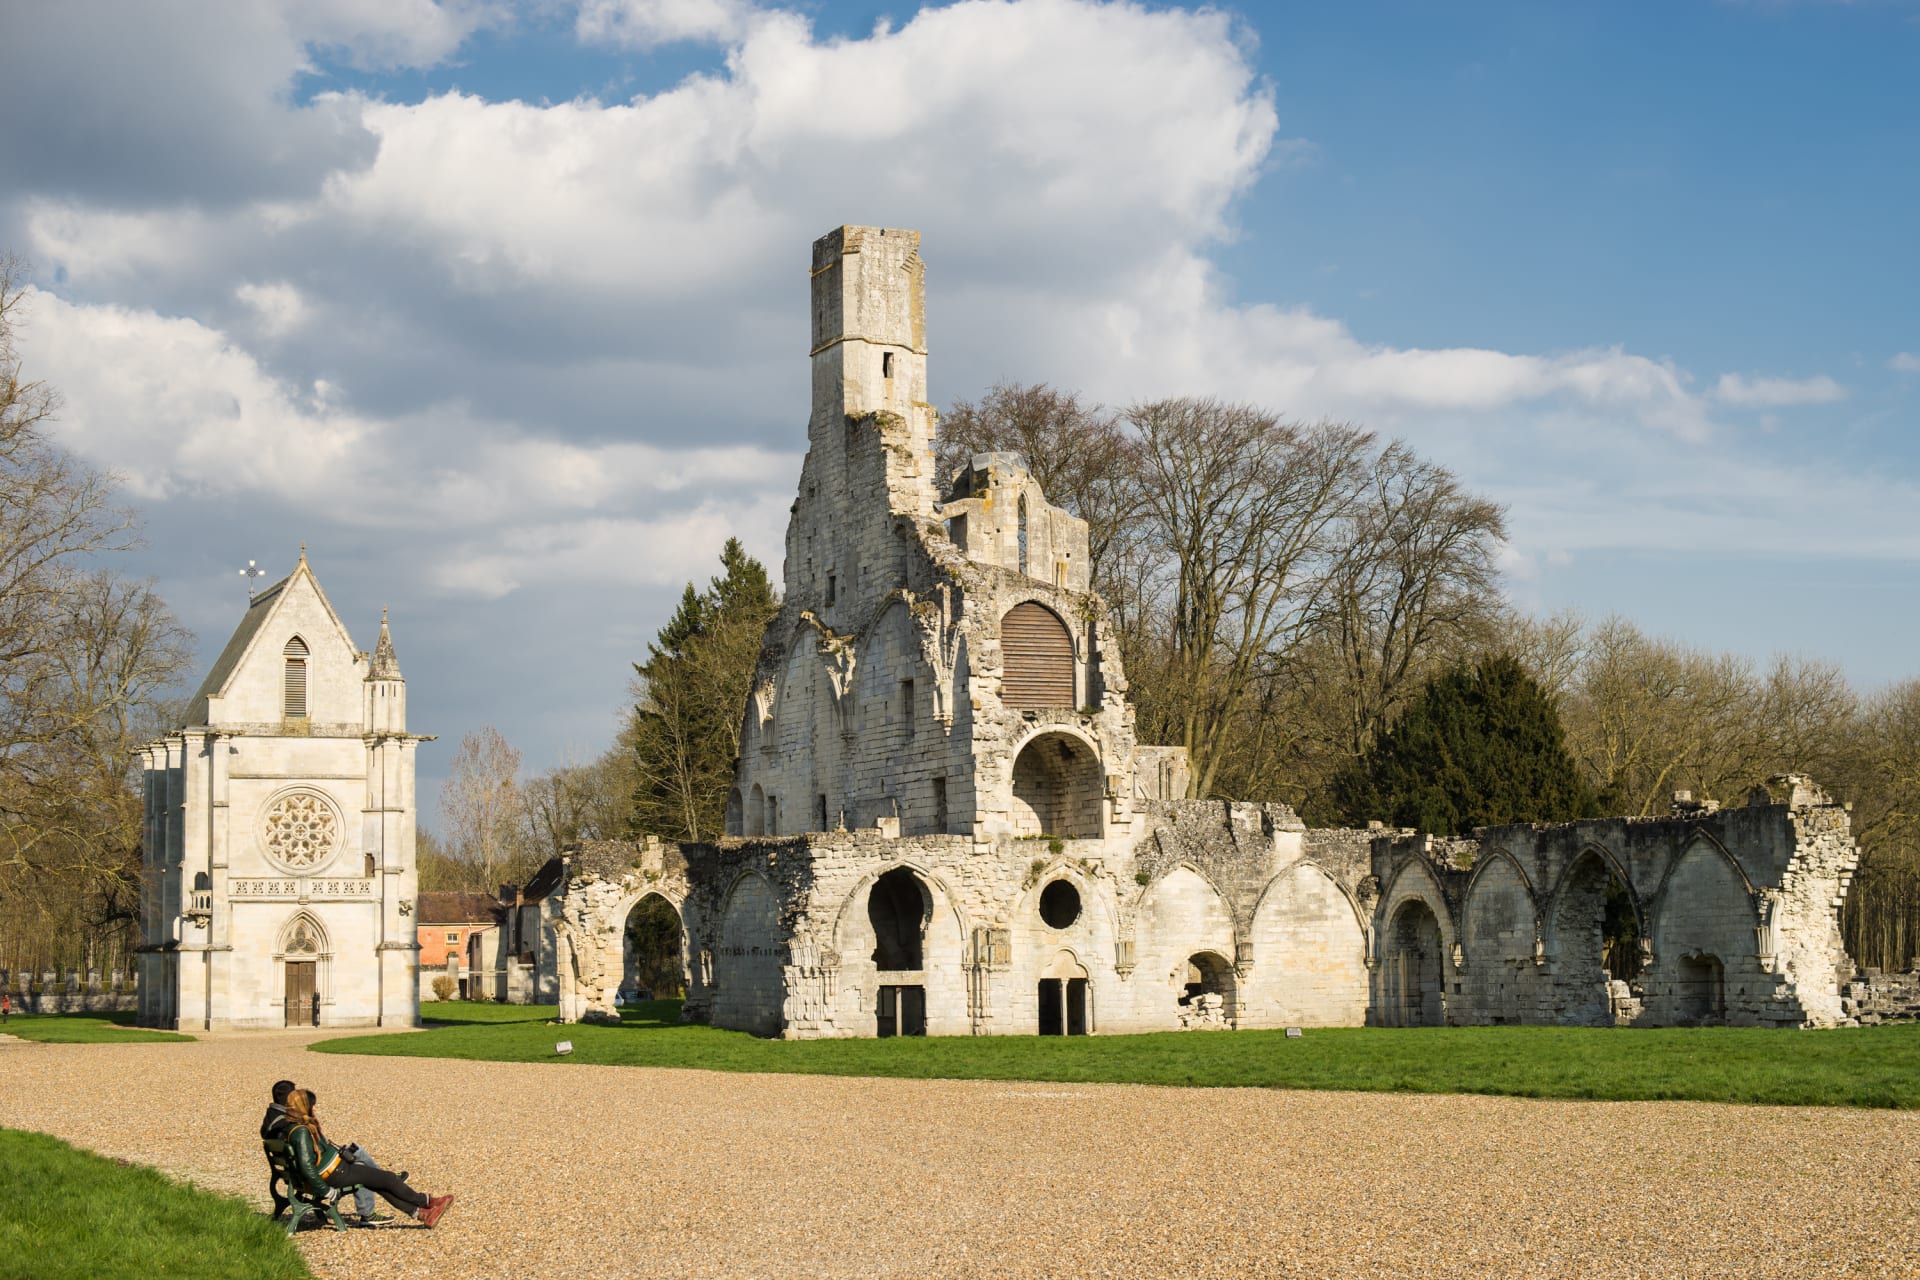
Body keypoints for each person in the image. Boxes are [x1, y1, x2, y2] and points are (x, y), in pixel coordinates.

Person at [285, 1089, 452, 1228]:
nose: (315, 1108)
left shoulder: (295, 1126)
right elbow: (307, 1166)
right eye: (312, 1105)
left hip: (336, 1169)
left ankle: (422, 1214)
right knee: (388, 1178)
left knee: (380, 1182)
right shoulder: (301, 1131)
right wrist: (326, 1191)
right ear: (304, 1107)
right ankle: (426, 1202)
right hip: (335, 1173)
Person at [262, 1081, 400, 1224]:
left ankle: (386, 1178)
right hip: (316, 1172)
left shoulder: (273, 1117)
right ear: (287, 1097)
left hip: (296, 1173)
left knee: (356, 1152)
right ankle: (382, 1189)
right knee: (359, 1157)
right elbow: (306, 1157)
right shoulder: (285, 1122)